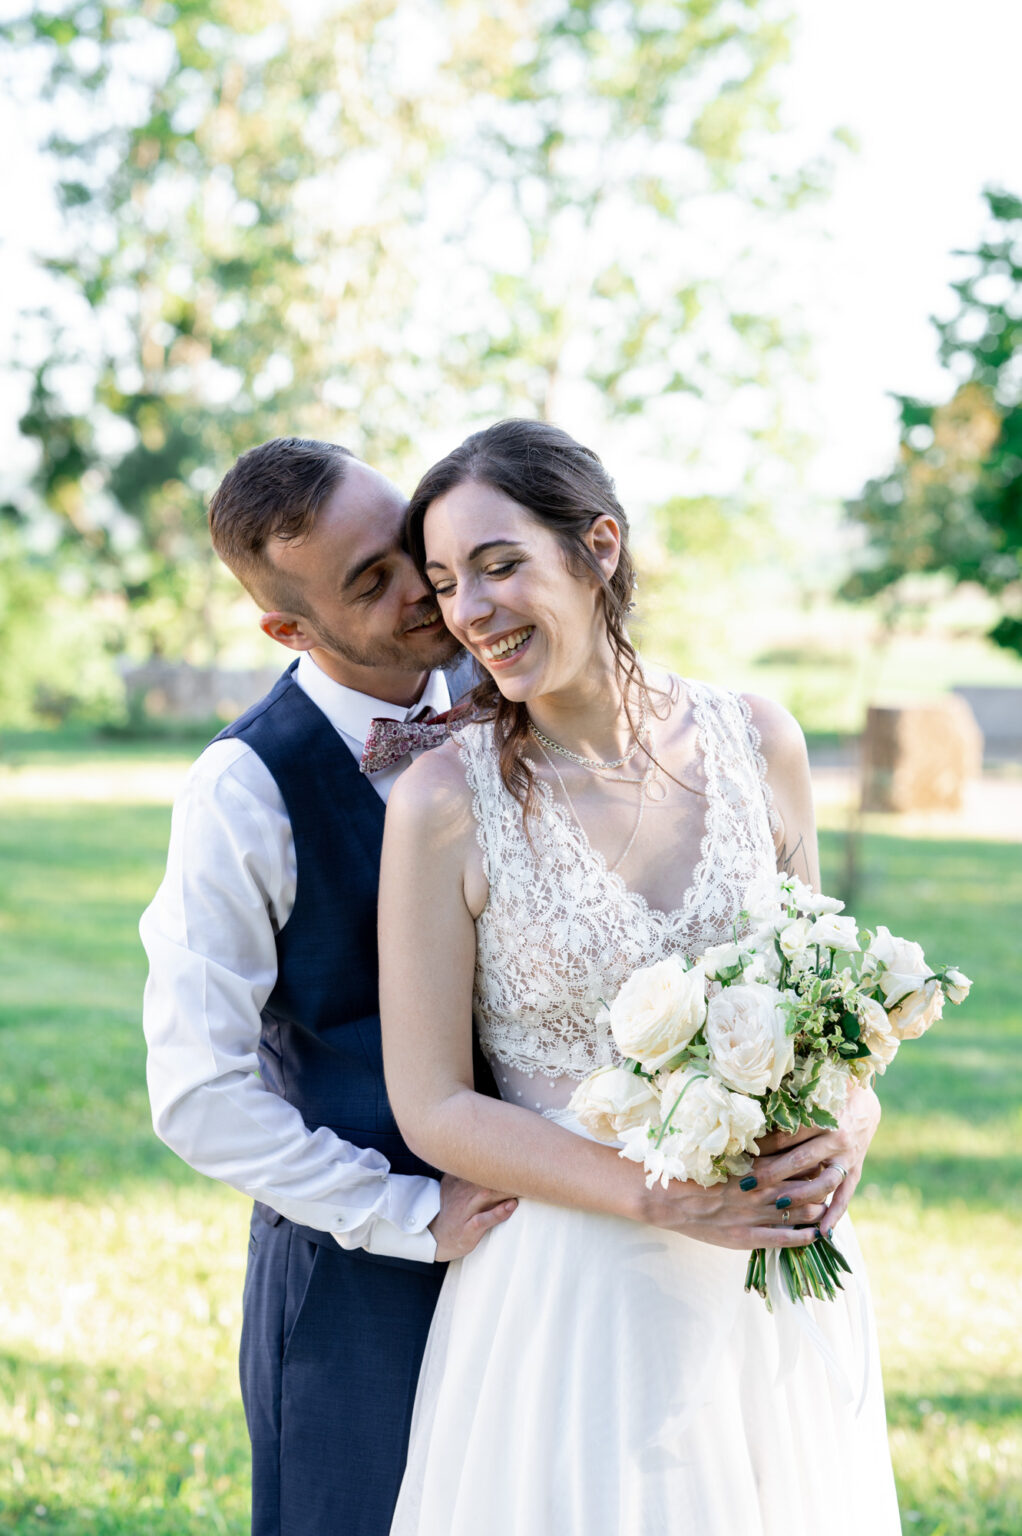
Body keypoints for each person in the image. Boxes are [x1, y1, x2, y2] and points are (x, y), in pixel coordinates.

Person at [378, 418, 900, 1535]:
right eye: (443, 582)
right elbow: (429, 1104)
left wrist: (848, 1122)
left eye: (498, 563)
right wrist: (658, 1198)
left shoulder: (759, 738)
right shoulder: (441, 803)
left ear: (598, 546)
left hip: (770, 1270)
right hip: (575, 1291)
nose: (469, 609)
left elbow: (837, 1007)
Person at [140, 436, 517, 1536]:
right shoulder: (243, 789)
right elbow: (197, 1095)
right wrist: (406, 1214)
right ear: (285, 630)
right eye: (372, 581)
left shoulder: (514, 695)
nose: (422, 587)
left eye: (410, 545)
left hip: (548, 1249)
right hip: (365, 1277)